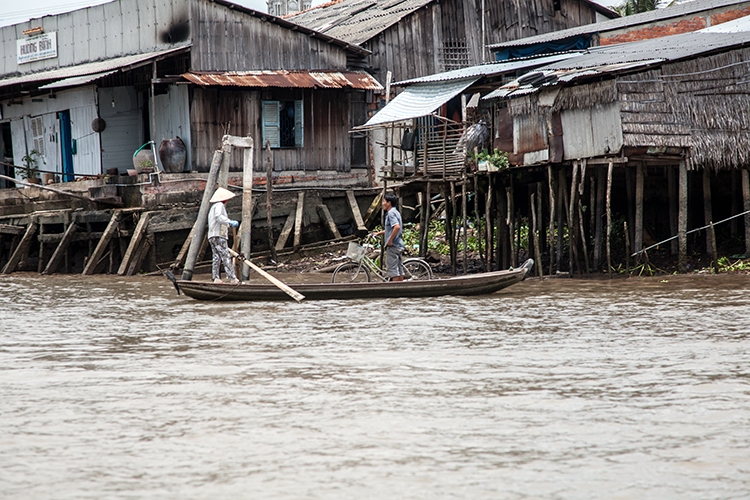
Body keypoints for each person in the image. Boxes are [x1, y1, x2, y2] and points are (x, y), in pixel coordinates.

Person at [208, 187, 240, 284]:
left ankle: (216, 278)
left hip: (212, 235)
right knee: (225, 255)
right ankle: (232, 278)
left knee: (216, 257)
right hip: (218, 235)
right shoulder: (219, 205)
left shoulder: (213, 207)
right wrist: (229, 221)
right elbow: (219, 217)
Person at [373, 192, 405, 281]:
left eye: (384, 201)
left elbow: (397, 227)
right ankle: (402, 289)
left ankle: (395, 292)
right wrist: (379, 233)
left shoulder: (391, 213)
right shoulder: (396, 212)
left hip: (393, 245)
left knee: (392, 271)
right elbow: (391, 229)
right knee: (399, 269)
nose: (382, 203)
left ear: (389, 203)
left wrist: (390, 240)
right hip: (399, 244)